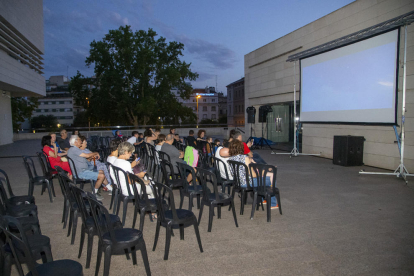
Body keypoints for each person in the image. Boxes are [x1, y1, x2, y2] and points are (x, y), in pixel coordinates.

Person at [228, 139, 278, 209]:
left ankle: (263, 199)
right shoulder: (244, 158)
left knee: (265, 177)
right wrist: (262, 173)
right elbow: (253, 175)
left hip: (238, 182)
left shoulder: (230, 159)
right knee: (271, 178)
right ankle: (272, 203)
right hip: (248, 182)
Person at [111, 142, 156, 218]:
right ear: (125, 152)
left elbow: (126, 176)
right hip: (129, 189)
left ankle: (149, 208)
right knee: (154, 188)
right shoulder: (125, 164)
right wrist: (140, 177)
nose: (131, 155)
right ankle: (153, 211)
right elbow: (130, 181)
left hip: (122, 188)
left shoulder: (115, 161)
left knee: (148, 182)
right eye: (130, 153)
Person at [67, 135, 107, 200]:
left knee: (101, 171)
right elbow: (87, 155)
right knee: (101, 176)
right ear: (75, 142)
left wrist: (91, 157)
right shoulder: (74, 149)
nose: (81, 141)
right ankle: (94, 193)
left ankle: (109, 187)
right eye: (79, 140)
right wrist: (95, 153)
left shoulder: (75, 149)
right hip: (81, 172)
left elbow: (86, 158)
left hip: (84, 170)